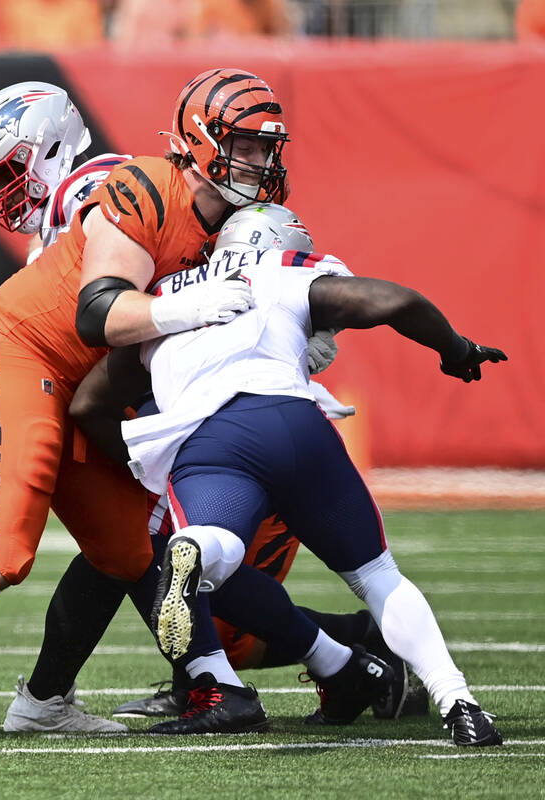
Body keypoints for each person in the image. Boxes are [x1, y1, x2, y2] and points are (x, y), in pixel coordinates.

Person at [0, 69, 382, 742]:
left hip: (88, 391)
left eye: (262, 148)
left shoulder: (236, 220)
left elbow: (293, 274)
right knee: (3, 553)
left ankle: (53, 700)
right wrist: (185, 307)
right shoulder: (134, 186)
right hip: (19, 359)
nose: (257, 161)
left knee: (136, 549)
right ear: (199, 141)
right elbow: (98, 311)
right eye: (243, 146)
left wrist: (305, 333)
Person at [0, 81, 407, 729]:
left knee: (189, 585)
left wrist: (301, 329)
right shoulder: (115, 200)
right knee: (139, 548)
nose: (3, 190)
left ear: (48, 148)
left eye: (10, 171)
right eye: (245, 145)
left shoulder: (114, 194)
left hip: (237, 419)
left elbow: (267, 281)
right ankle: (230, 676)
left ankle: (357, 648)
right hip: (169, 404)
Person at [127, 203, 506, 746]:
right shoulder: (279, 273)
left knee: (211, 550)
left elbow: (98, 391)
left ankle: (198, 549)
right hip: (290, 419)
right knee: (378, 575)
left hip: (205, 439)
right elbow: (397, 300)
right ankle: (459, 703)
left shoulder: (163, 295)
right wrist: (455, 349)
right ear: (284, 245)